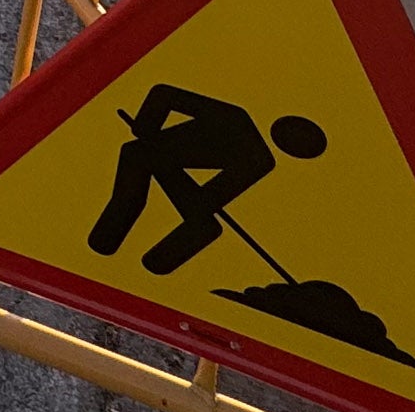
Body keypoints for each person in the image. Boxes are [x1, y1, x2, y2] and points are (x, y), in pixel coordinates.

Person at [91, 85, 326, 276]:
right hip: (151, 149)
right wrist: (147, 123)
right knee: (131, 190)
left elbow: (216, 193)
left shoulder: (260, 159)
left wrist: (195, 202)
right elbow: (164, 94)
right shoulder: (236, 119)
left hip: (161, 158)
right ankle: (104, 244)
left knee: (203, 226)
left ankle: (151, 266)